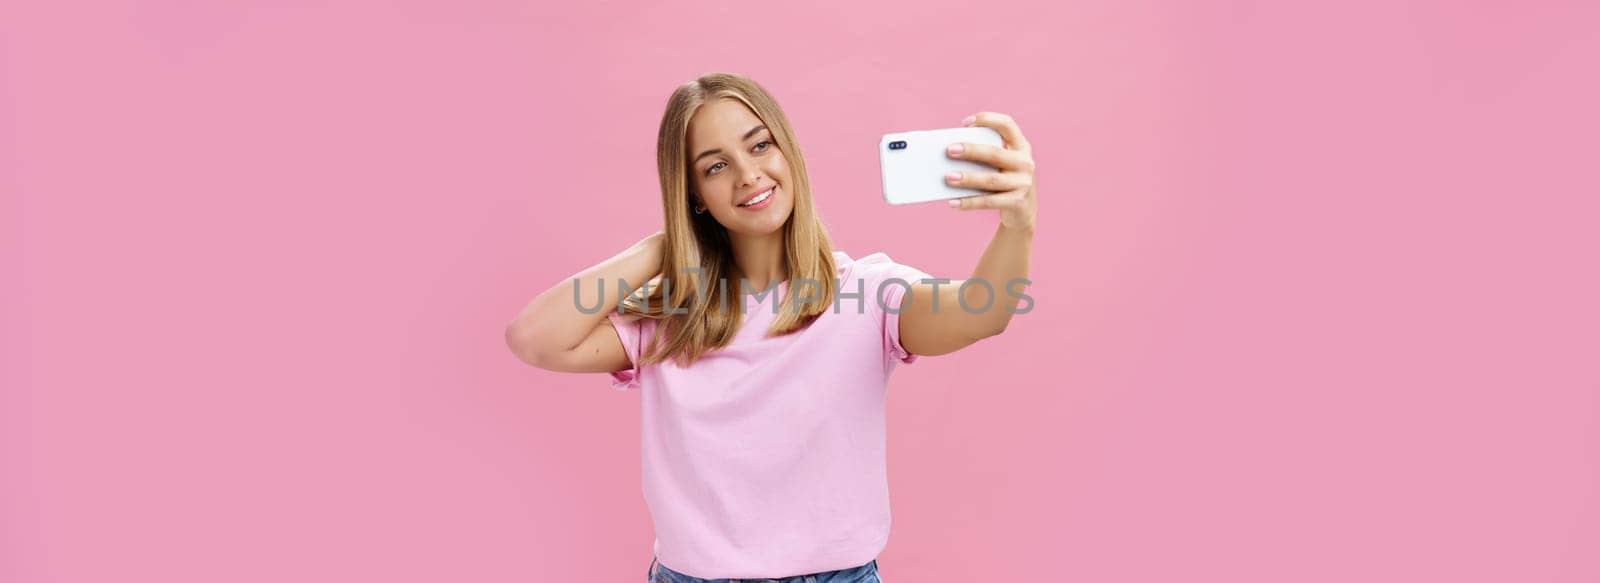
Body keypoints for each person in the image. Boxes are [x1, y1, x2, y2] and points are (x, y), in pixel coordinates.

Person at [505, 72, 1037, 582]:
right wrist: (663, 246)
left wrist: (1019, 224)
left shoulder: (867, 293)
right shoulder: (673, 319)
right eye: (715, 167)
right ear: (694, 195)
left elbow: (982, 313)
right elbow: (534, 337)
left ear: (787, 150)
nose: (748, 175)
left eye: (760, 146)